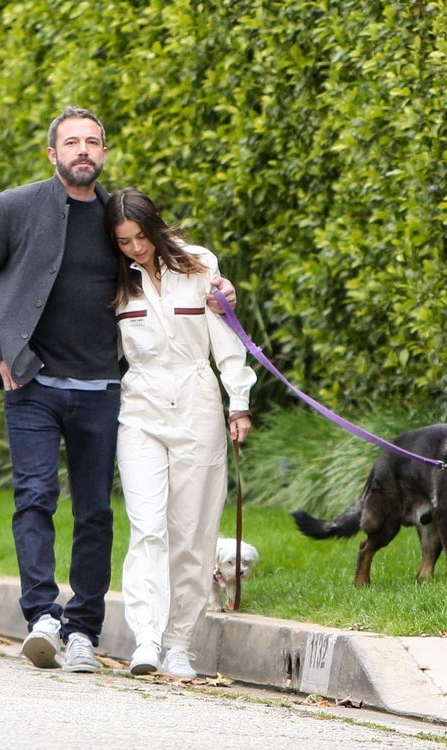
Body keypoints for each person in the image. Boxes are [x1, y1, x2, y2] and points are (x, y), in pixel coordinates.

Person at [0, 107, 237, 674]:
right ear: (52, 153)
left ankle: (82, 627)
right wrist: (3, 350)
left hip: (105, 388)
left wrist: (216, 286)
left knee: (94, 514)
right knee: (34, 498)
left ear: (103, 153)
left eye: (93, 142)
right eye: (71, 142)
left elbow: (162, 256)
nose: (83, 150)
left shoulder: (114, 220)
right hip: (32, 384)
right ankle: (41, 619)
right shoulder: (11, 208)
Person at [105, 186, 256, 679]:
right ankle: (146, 638)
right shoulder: (113, 277)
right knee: (148, 526)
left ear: (156, 227)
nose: (136, 249)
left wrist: (239, 402)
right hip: (141, 406)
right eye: (125, 241)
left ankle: (178, 644)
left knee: (192, 533)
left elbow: (226, 336)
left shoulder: (197, 265)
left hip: (198, 405)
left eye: (142, 237)